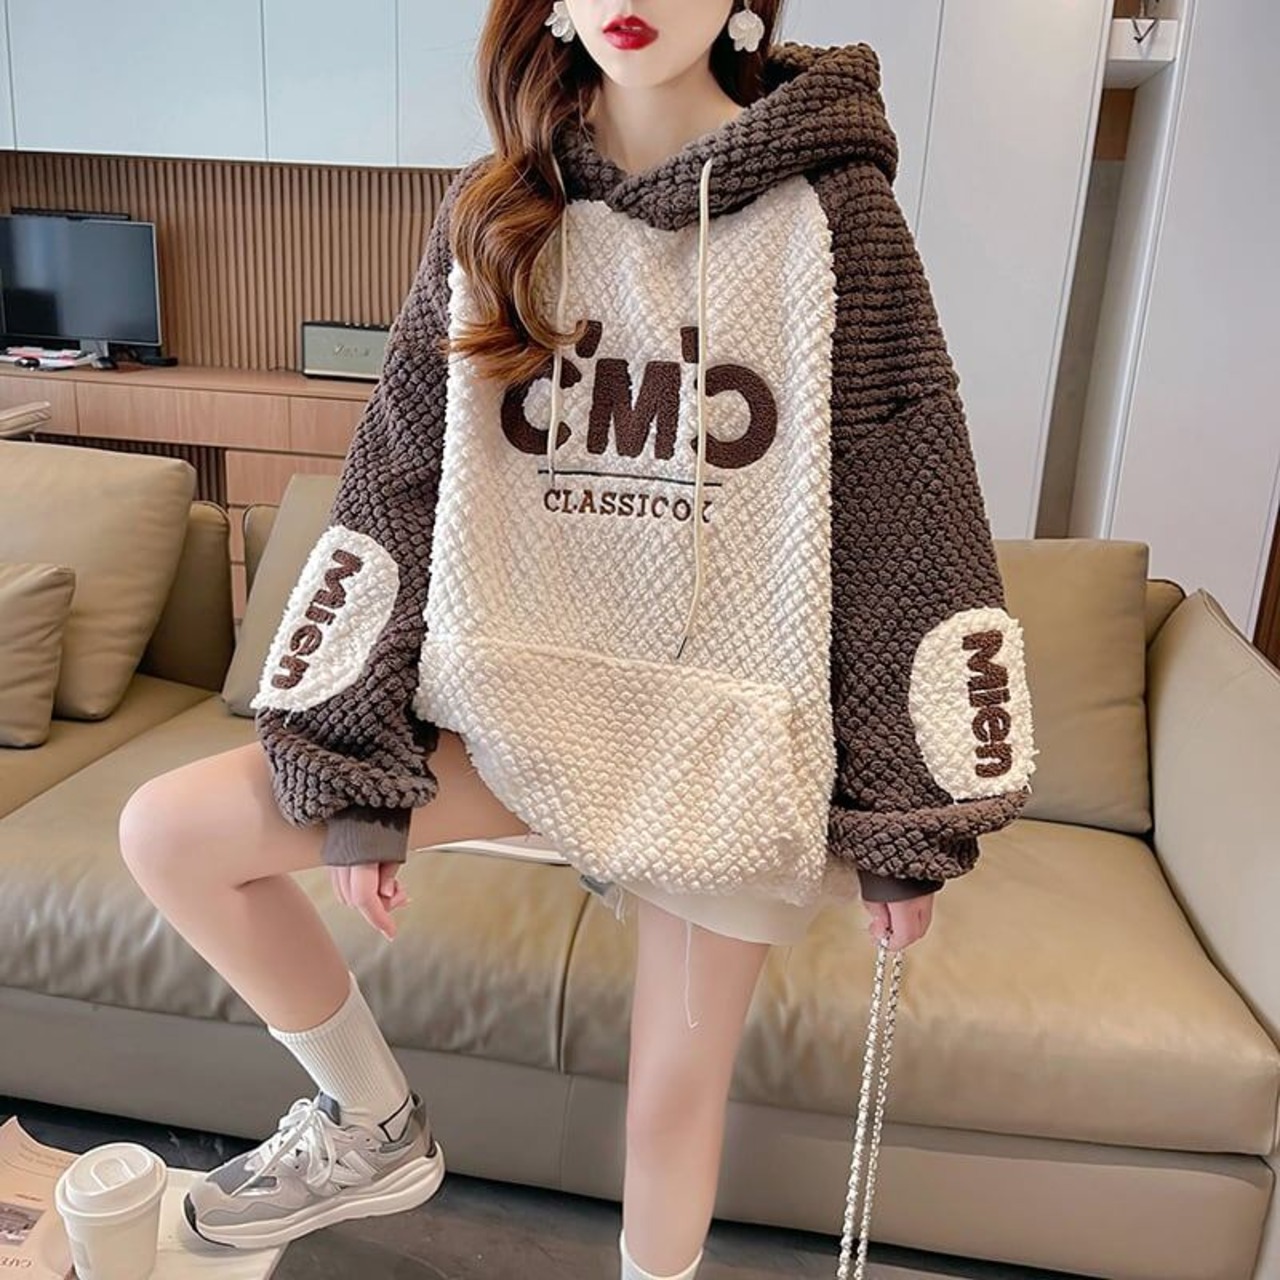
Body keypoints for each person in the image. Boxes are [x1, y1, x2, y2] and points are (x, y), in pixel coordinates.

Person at [118, 2, 1037, 1277]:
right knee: (169, 831)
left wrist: (906, 818)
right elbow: (399, 482)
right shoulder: (497, 209)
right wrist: (353, 761)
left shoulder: (836, 215)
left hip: (725, 744)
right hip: (514, 712)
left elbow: (905, 505)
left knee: (668, 1106)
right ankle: (369, 1124)